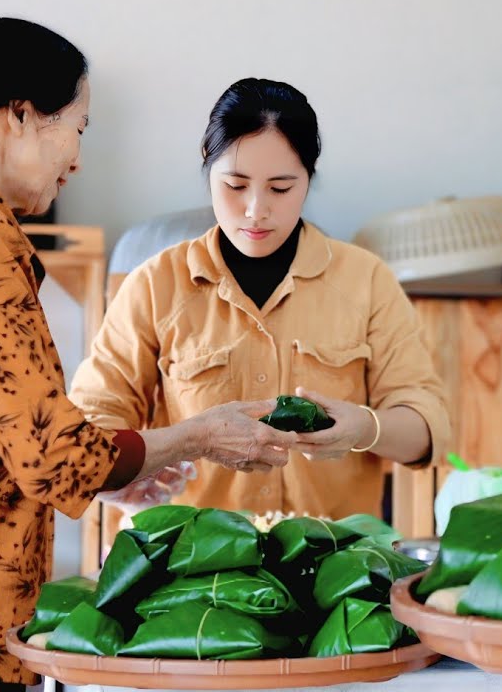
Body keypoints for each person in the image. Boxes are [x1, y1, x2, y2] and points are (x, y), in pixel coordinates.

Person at [0, 19, 295, 692]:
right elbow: (55, 457)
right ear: (19, 115)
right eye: (79, 126)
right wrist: (202, 435)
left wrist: (118, 471)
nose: (76, 156)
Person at [70, 78, 451, 519]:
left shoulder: (366, 281)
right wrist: (186, 442)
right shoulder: (154, 285)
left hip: (331, 561)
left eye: (281, 188)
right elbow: (87, 434)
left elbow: (429, 429)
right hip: (195, 565)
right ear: (208, 172)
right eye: (235, 185)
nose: (255, 209)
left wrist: (365, 427)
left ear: (309, 180)